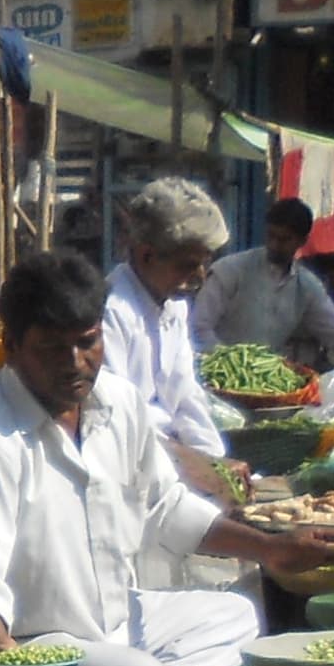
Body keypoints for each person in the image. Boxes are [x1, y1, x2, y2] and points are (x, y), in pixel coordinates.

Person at [0, 249, 334, 666]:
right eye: (52, 349)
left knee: (236, 617)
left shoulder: (119, 403)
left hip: (114, 630)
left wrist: (272, 549)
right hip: (27, 646)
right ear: (13, 348)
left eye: (87, 342)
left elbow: (166, 506)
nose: (75, 363)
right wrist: (16, 664)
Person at [100, 175, 232, 479]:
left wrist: (217, 464)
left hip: (171, 461)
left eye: (205, 263)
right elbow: (118, 420)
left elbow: (185, 395)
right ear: (146, 255)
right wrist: (195, 464)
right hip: (128, 469)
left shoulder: (173, 308)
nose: (200, 276)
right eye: (187, 265)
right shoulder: (112, 312)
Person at [195, 196, 334, 379]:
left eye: (284, 239)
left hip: (266, 386)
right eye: (271, 236)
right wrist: (230, 367)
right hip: (217, 380)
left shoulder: (306, 287)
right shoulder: (230, 270)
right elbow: (199, 328)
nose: (275, 245)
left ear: (302, 241)